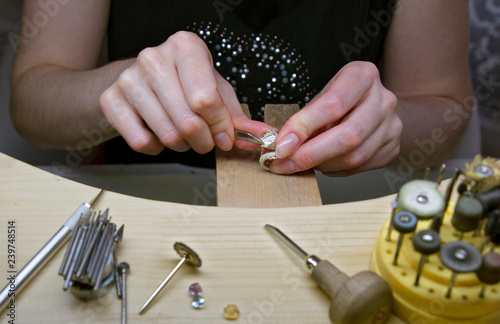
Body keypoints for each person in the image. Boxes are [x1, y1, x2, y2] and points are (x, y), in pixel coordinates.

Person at [10, 0, 473, 177]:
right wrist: (119, 86)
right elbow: (31, 103)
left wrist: (380, 127)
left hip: (338, 207)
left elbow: (445, 107)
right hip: (136, 199)